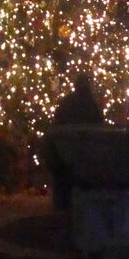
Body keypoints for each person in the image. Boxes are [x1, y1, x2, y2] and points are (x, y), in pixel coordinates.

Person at [45, 73, 103, 210]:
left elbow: (57, 121)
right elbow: (99, 125)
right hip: (81, 155)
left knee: (64, 190)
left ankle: (63, 212)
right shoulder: (90, 105)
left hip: (66, 153)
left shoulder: (69, 102)